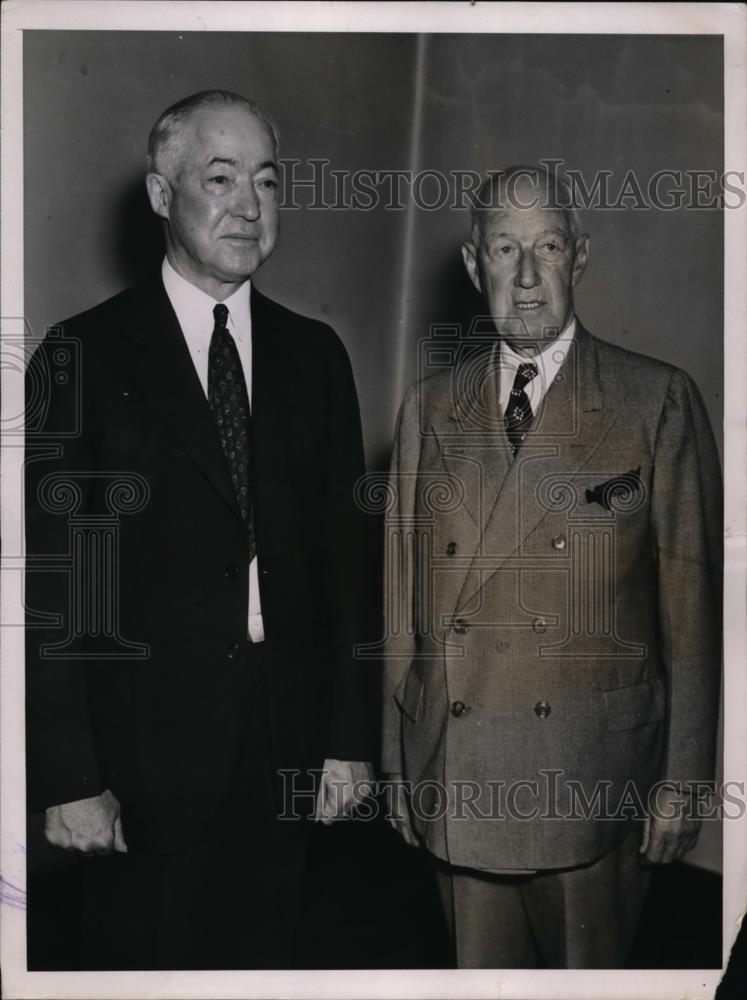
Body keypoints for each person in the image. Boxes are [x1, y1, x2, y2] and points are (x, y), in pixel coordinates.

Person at [25, 90, 375, 970]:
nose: (249, 205)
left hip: (288, 756)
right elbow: (56, 585)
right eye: (220, 178)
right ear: (158, 193)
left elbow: (349, 570)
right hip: (143, 772)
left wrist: (348, 743)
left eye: (266, 180)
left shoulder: (316, 357)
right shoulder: (82, 357)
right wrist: (71, 780)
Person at [382, 165, 722, 968]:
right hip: (458, 767)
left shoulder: (655, 400)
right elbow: (400, 602)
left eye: (547, 246)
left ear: (579, 257)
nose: (526, 277)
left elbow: (691, 612)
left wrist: (683, 780)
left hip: (587, 776)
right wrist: (396, 762)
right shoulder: (429, 410)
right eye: (505, 249)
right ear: (474, 266)